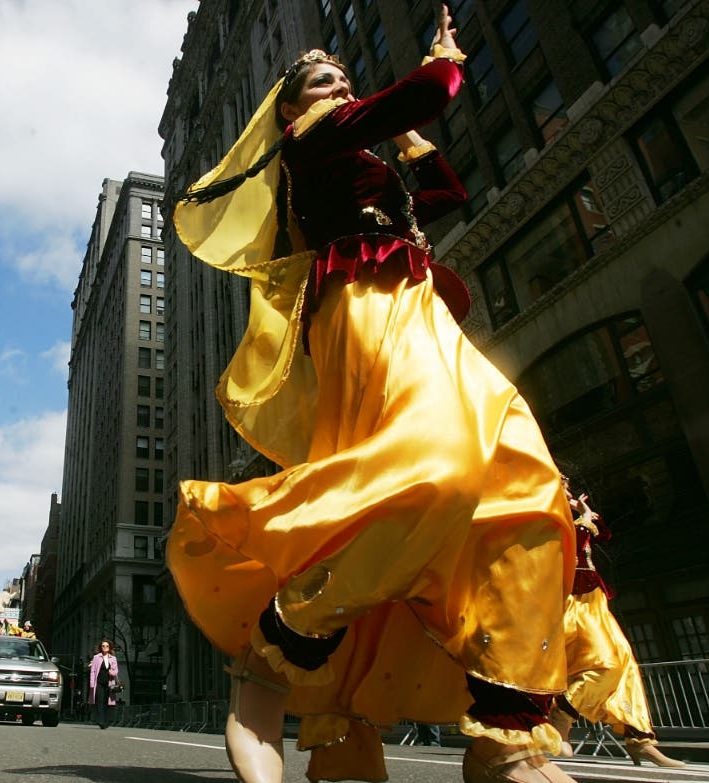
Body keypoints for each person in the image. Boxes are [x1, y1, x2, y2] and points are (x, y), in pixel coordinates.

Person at [167, 7, 578, 783]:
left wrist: (411, 144)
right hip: (361, 307)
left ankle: (503, 735)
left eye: (343, 79)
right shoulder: (308, 138)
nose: (339, 85)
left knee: (526, 481)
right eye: (323, 81)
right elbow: (425, 92)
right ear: (292, 109)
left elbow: (443, 192)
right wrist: (443, 63)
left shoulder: (354, 149)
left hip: (422, 309)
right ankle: (294, 623)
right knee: (439, 465)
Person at [550, 479, 686, 769]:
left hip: (595, 599)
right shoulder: (545, 515)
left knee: (626, 666)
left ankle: (640, 740)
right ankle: (561, 714)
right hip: (571, 601)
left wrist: (585, 513)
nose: (569, 492)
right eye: (562, 486)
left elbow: (605, 535)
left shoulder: (574, 518)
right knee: (606, 663)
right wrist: (583, 521)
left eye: (569, 488)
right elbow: (567, 543)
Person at [89, 640, 119, 730]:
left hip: (109, 683)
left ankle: (106, 721)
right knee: (100, 701)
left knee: (107, 702)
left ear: (109, 647)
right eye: (103, 646)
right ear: (100, 647)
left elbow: (116, 671)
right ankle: (100, 721)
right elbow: (93, 671)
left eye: (106, 646)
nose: (105, 647)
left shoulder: (113, 658)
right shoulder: (96, 657)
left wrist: (112, 672)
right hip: (99, 682)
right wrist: (92, 683)